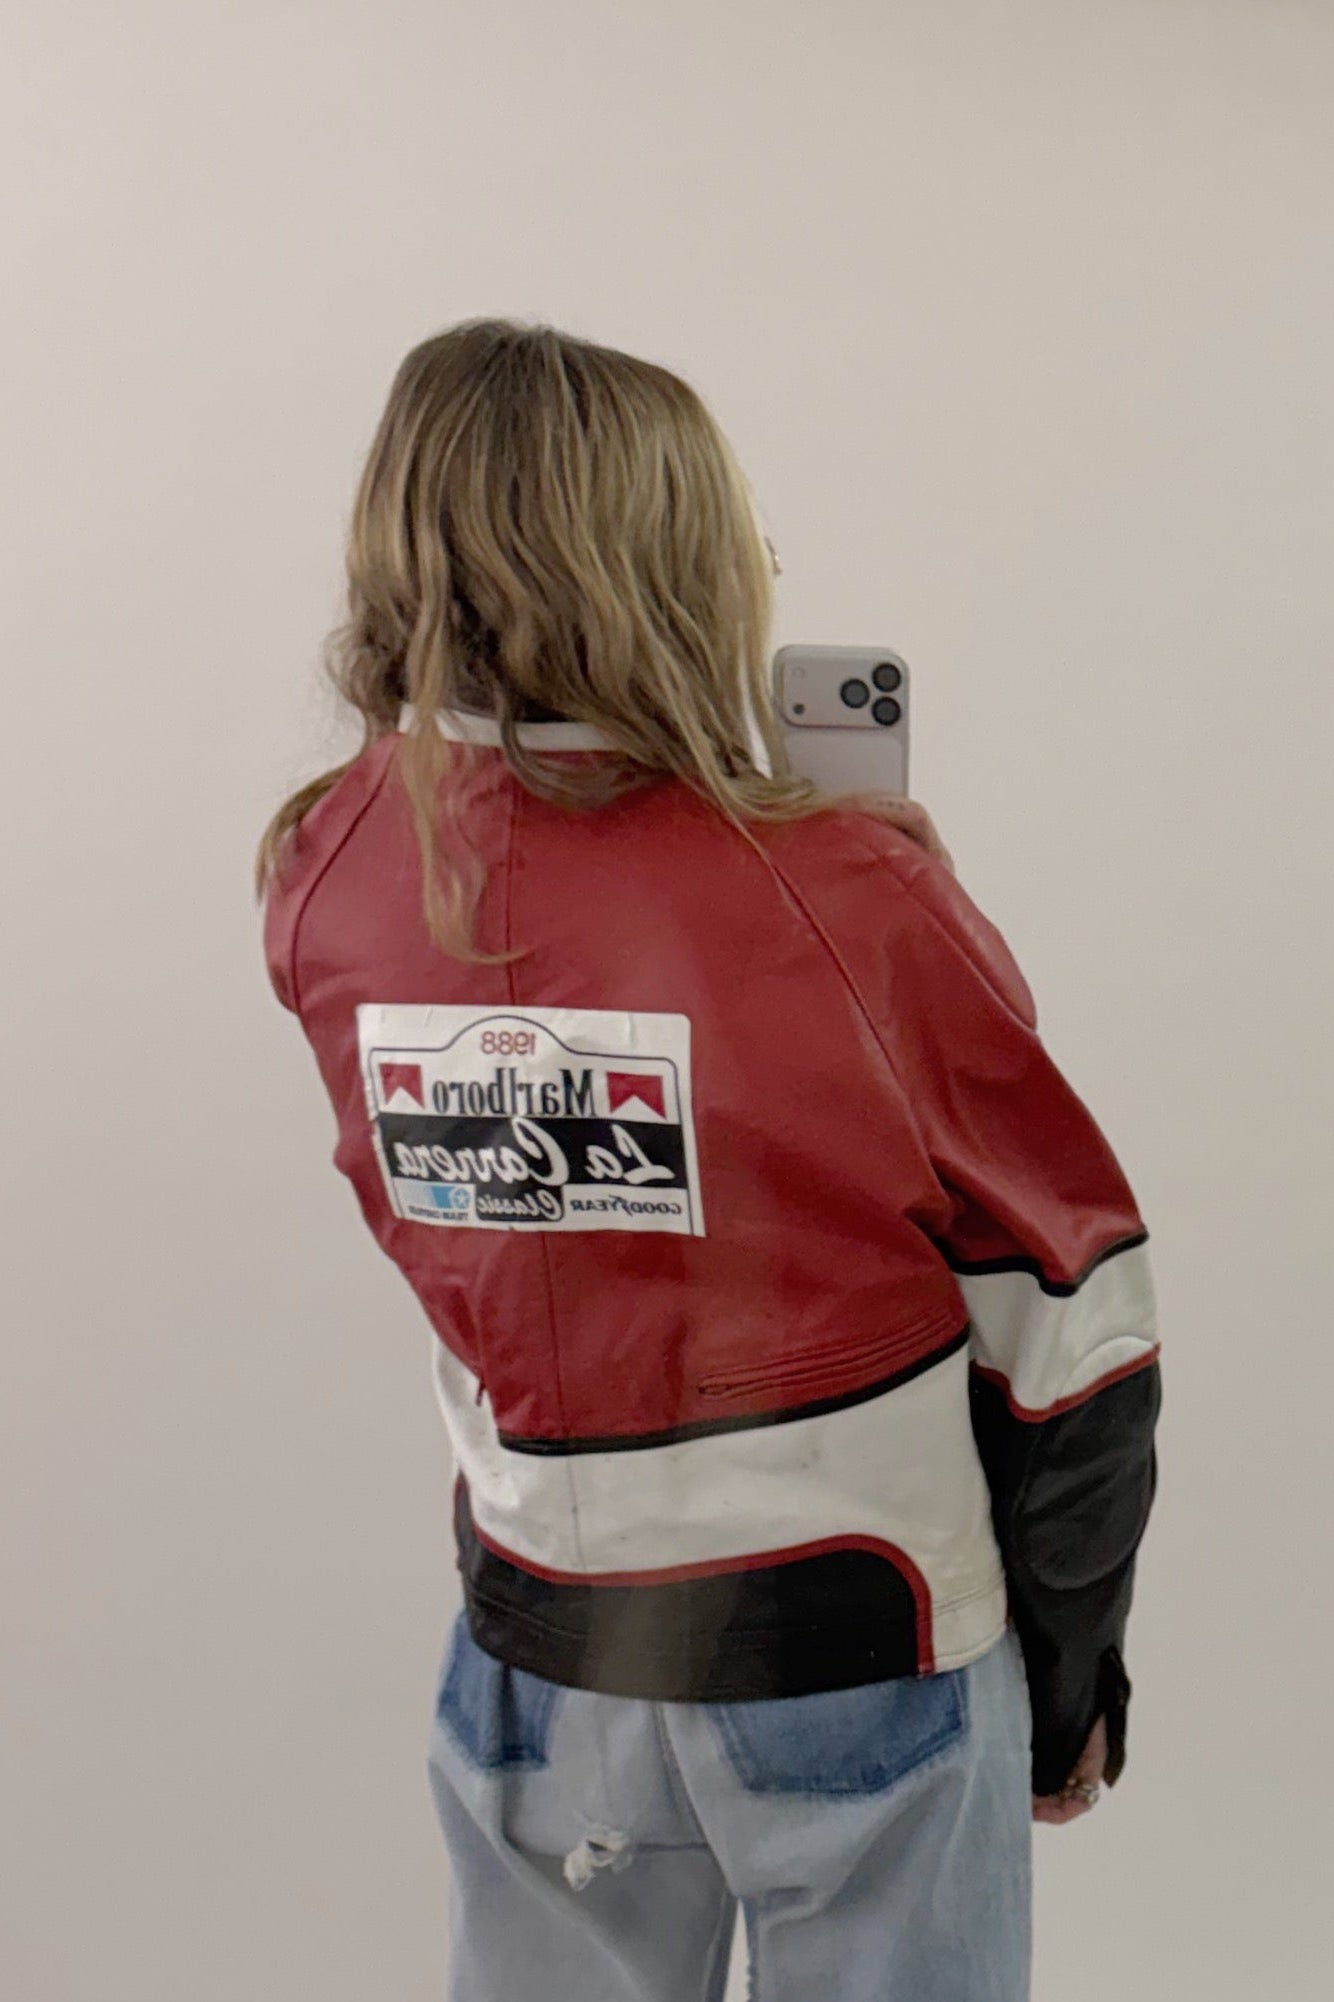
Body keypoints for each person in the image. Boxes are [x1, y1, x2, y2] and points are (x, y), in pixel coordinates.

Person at [255, 318, 1162, 2002]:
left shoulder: (325, 863)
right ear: (677, 560)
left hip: (536, 1651)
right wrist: (1070, 1676)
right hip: (857, 1642)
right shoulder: (850, 890)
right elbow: (1074, 1320)